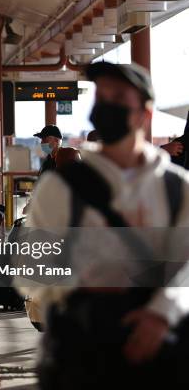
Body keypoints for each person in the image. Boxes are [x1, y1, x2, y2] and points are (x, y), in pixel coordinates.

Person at [26, 61, 189, 388]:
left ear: (145, 113)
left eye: (118, 97)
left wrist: (160, 316)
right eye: (101, 98)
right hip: (82, 344)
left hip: (157, 344)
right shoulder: (62, 186)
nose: (106, 107)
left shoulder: (176, 187)